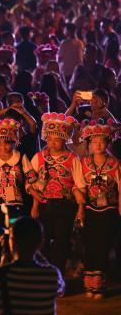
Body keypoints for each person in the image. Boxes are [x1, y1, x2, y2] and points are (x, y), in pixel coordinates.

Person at [27, 113, 86, 274]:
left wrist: (80, 208)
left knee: (61, 242)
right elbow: (29, 182)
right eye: (50, 139)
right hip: (45, 205)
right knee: (43, 242)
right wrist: (35, 202)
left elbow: (79, 183)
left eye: (57, 139)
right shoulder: (39, 157)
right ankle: (43, 275)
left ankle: (57, 276)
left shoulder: (72, 158)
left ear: (64, 139)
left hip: (65, 205)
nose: (52, 142)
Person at [0, 217, 65, 315]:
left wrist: (5, 256)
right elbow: (61, 291)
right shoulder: (52, 275)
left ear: (11, 242)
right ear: (41, 243)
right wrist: (37, 251)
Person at [0, 119, 38, 268]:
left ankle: (17, 269)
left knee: (16, 238)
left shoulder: (21, 158)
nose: (3, 147)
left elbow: (31, 180)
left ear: (14, 141)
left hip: (16, 206)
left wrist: (34, 200)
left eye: (7, 142)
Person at [79, 119, 120, 299]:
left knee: (103, 244)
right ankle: (89, 281)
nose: (98, 144)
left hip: (109, 210)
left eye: (102, 141)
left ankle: (100, 284)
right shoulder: (83, 163)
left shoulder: (115, 164)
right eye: (94, 141)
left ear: (108, 143)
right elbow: (79, 185)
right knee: (89, 245)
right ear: (89, 143)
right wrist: (79, 205)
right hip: (89, 208)